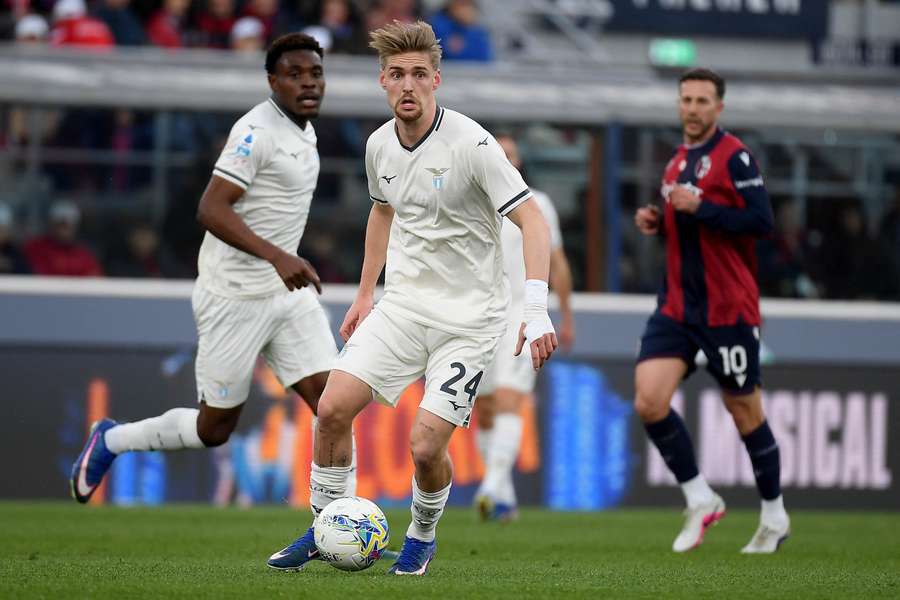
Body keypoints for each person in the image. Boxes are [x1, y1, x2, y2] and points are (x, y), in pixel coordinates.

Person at [267, 20, 558, 575]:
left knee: (425, 448)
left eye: (419, 74)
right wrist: (364, 295)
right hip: (402, 308)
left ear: (436, 81)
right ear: (383, 81)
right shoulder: (379, 145)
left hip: (470, 321)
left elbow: (532, 220)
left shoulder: (473, 145)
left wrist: (537, 307)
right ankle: (326, 525)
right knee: (330, 408)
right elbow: (382, 212)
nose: (407, 84)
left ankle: (422, 534)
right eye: (397, 74)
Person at [70, 33, 358, 506]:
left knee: (335, 406)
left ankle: (335, 523)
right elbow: (211, 208)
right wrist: (278, 256)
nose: (309, 83)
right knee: (214, 428)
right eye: (295, 75)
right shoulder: (254, 133)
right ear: (272, 81)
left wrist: (281, 263)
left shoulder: (304, 130)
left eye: (316, 73)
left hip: (286, 295)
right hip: (233, 297)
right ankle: (111, 440)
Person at [633, 68, 788, 554]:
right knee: (649, 401)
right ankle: (700, 498)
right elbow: (683, 224)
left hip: (728, 310)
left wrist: (702, 210)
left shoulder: (734, 157)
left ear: (719, 107)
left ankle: (774, 515)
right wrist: (657, 221)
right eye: (687, 99)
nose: (693, 108)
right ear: (678, 105)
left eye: (703, 100)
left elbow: (762, 222)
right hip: (677, 307)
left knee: (745, 412)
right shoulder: (675, 162)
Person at [473, 133, 574, 521]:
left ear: (519, 162)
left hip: (521, 310)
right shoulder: (476, 200)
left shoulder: (538, 204)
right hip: (481, 316)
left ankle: (490, 486)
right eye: (499, 154)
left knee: (509, 398)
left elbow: (558, 261)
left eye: (511, 154)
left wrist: (565, 313)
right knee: (483, 409)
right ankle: (504, 496)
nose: (506, 160)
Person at [24, 200, 103, 277]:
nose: (63, 230)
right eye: (60, 224)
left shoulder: (84, 256)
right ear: (51, 224)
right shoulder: (34, 248)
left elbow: (95, 279)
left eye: (67, 225)